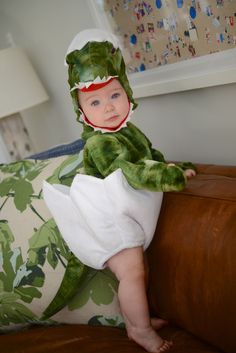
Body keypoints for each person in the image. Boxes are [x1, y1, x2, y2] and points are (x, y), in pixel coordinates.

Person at [43, 29, 196, 352]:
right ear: (82, 112)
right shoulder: (100, 142)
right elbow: (128, 170)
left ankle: (134, 322)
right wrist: (165, 178)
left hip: (123, 212)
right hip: (107, 219)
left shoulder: (130, 131)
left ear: (127, 93)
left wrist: (174, 168)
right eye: (95, 102)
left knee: (140, 268)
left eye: (114, 95)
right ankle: (141, 331)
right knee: (133, 272)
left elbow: (151, 157)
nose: (109, 108)